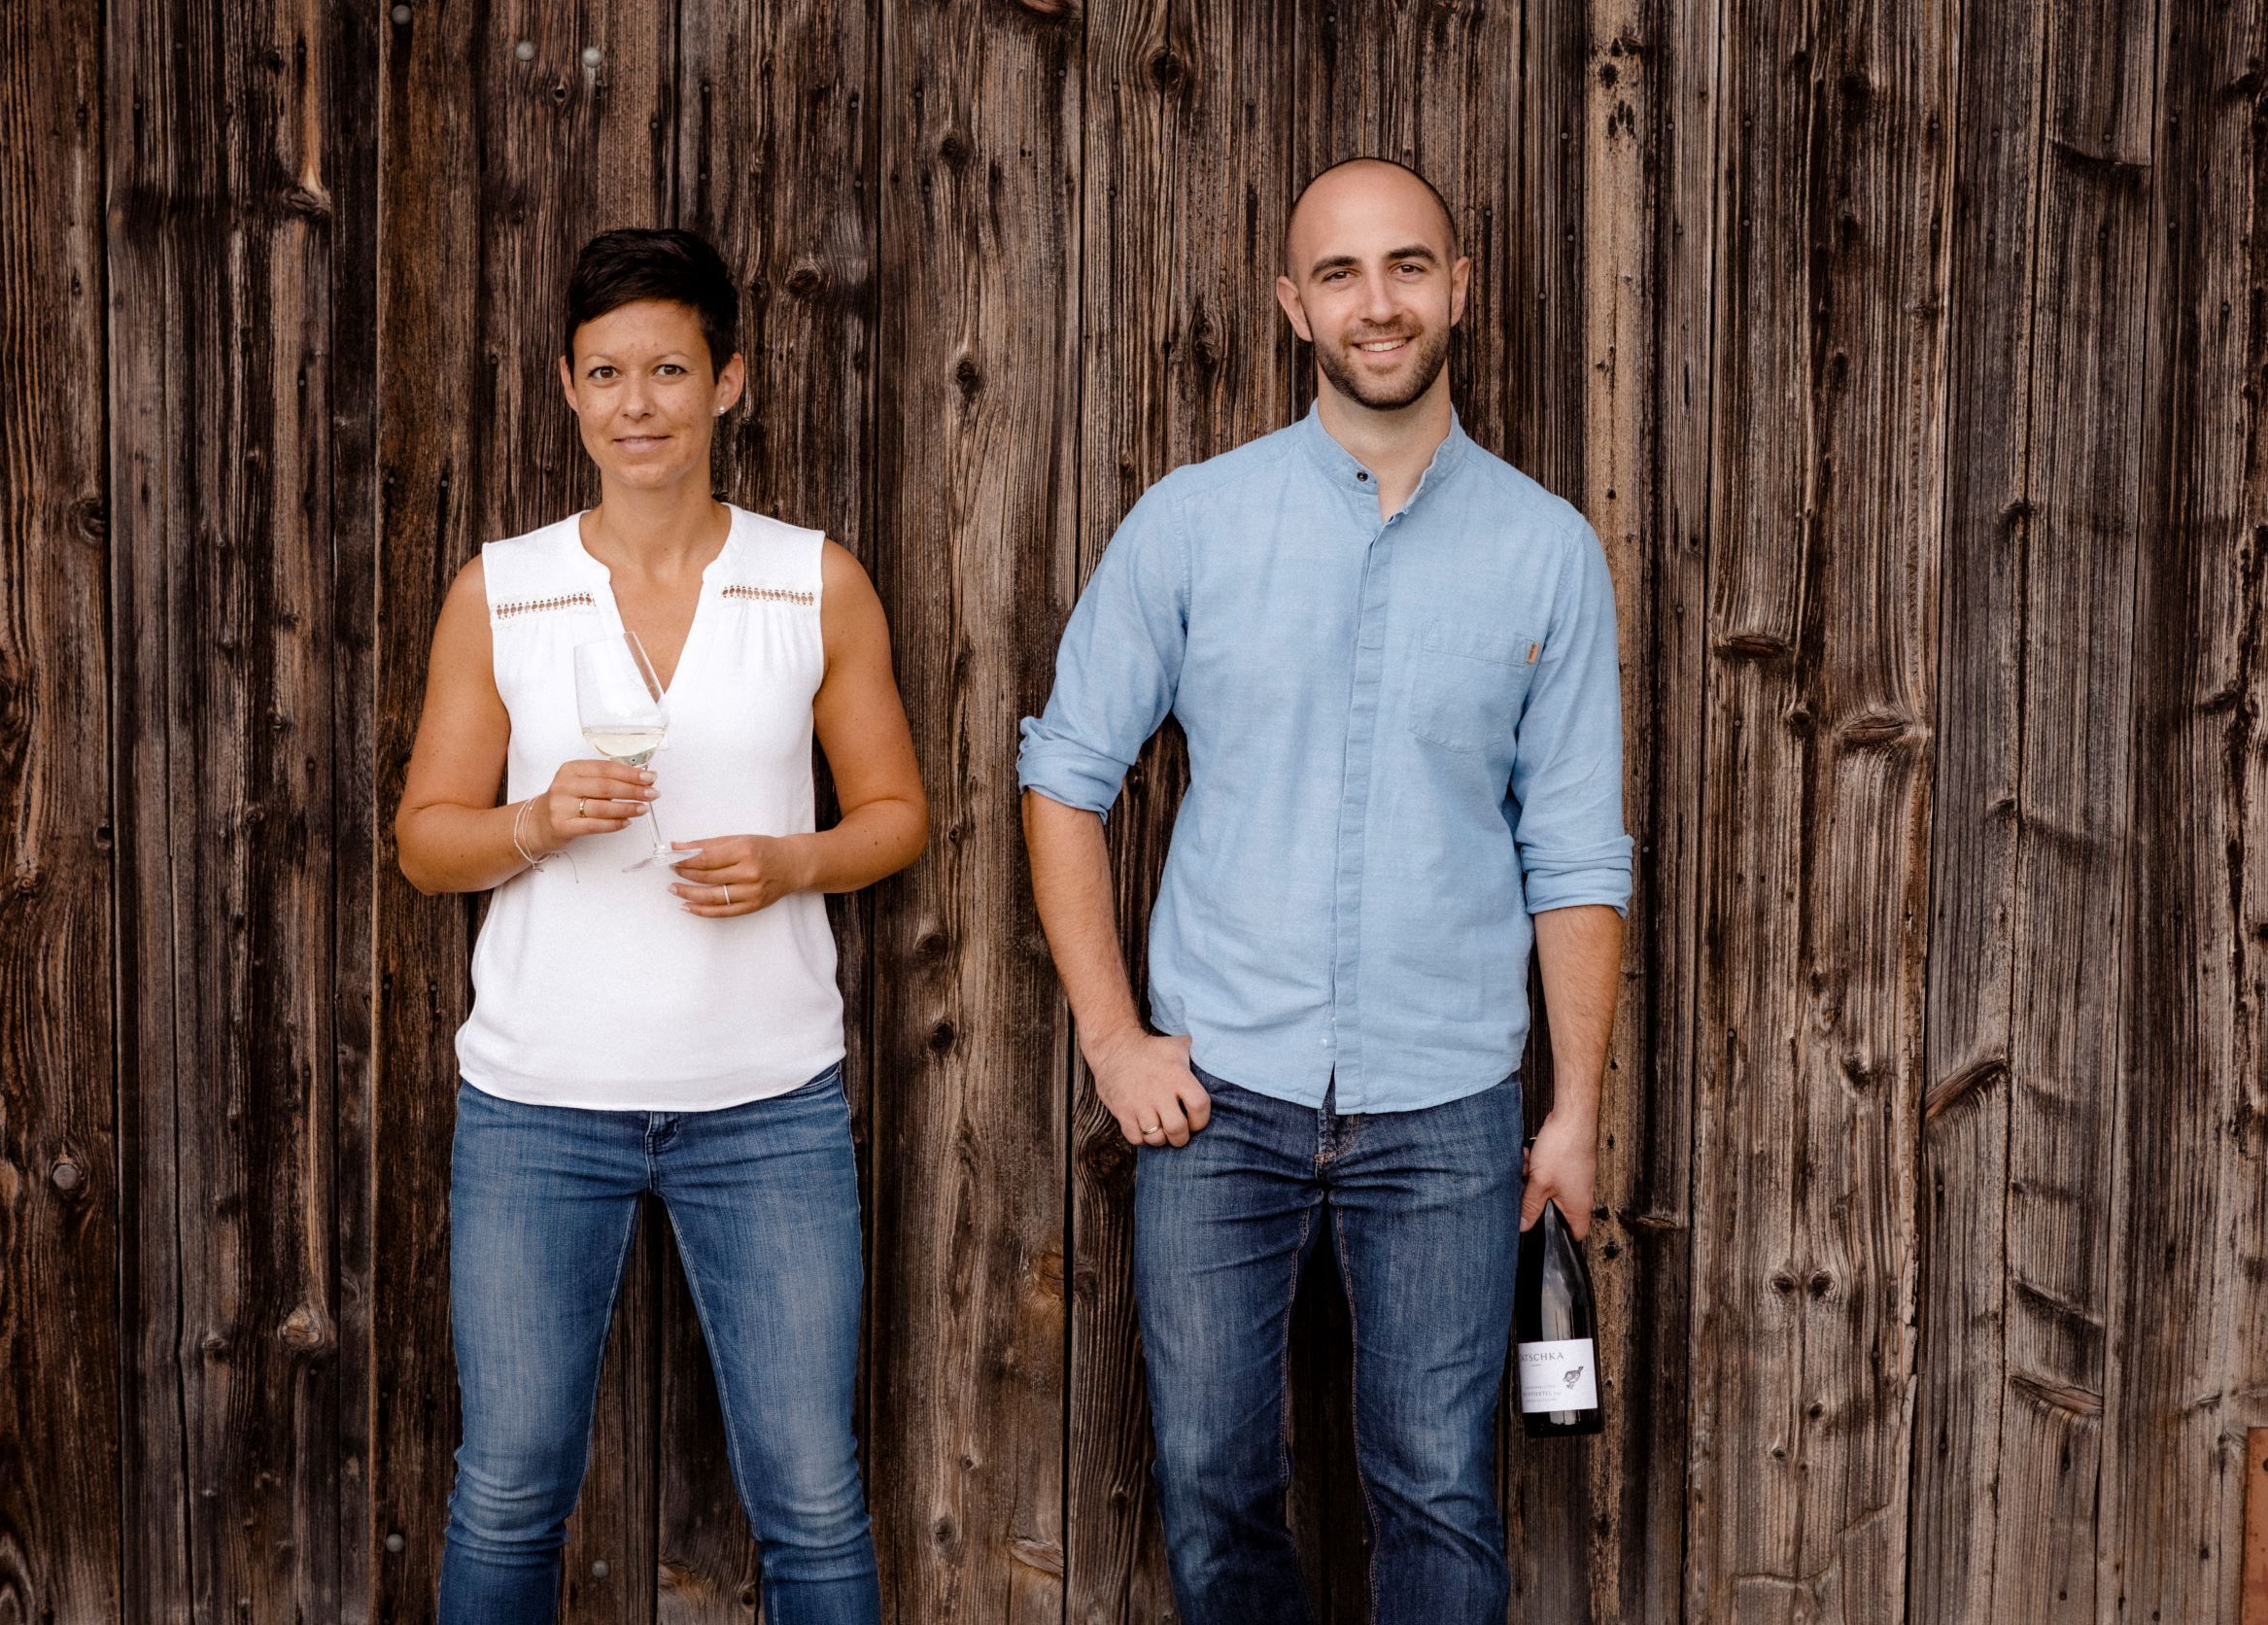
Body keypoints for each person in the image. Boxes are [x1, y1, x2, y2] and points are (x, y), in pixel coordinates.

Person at [1017, 157, 1632, 1623]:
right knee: (1216, 1487)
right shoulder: (1193, 523)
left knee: (1438, 1493)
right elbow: (1064, 778)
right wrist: (1113, 1041)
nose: (1380, 303)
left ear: (1459, 287)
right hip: (1219, 1094)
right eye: (1343, 273)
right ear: (1293, 304)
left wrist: (1577, 1110)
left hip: (1446, 1105)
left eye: (1409, 267)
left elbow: (1577, 853)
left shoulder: (1547, 552)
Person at [394, 226, 924, 1625]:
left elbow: (896, 814)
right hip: (537, 1108)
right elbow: (423, 843)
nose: (639, 405)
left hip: (768, 1109)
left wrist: (791, 861)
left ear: (730, 382)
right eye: (608, 373)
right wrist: (535, 823)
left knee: (812, 1497)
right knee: (508, 1488)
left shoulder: (813, 580)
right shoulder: (503, 591)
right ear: (568, 391)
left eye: (671, 370)